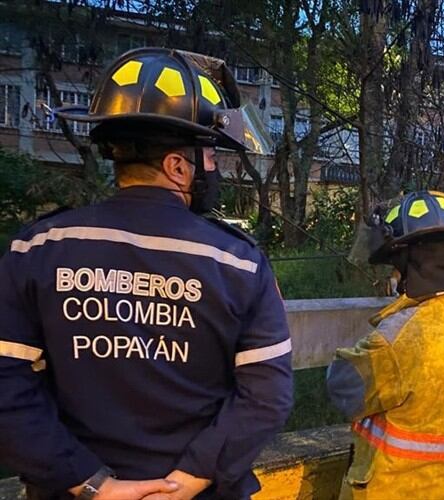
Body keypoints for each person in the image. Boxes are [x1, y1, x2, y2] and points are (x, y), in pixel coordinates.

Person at [0, 48, 293, 499]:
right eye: (210, 158)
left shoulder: (37, 247)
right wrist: (186, 482)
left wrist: (94, 483)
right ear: (178, 167)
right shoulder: (238, 262)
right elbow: (267, 394)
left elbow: (6, 385)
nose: (214, 171)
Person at [326, 191, 444, 499]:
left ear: (410, 262)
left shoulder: (403, 334)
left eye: (395, 267)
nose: (394, 277)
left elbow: (343, 389)